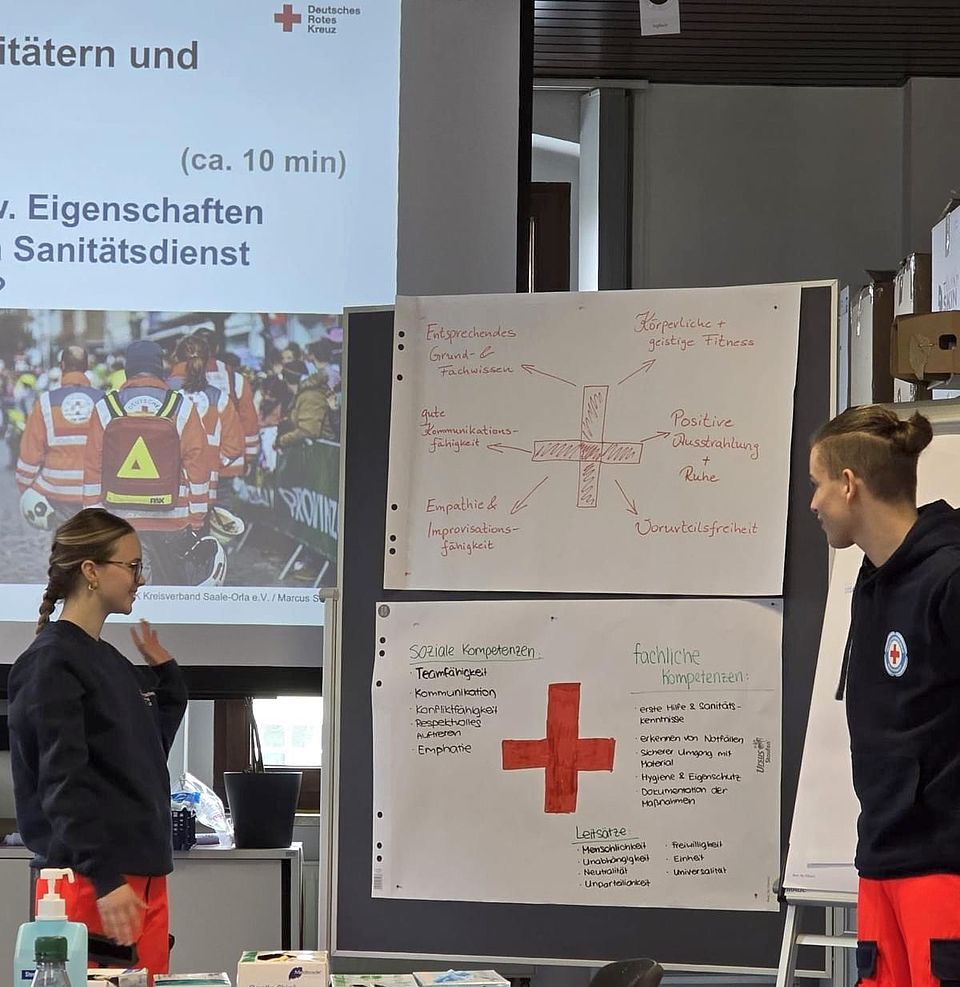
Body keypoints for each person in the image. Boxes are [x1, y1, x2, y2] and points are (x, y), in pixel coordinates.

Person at [809, 404, 960, 987]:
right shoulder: (871, 583)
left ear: (849, 485)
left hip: (945, 865)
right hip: (881, 859)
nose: (814, 503)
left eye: (818, 484)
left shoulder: (949, 577)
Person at [7, 508, 187, 975]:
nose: (139, 579)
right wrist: (105, 878)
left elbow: (144, 758)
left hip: (139, 879)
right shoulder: (51, 663)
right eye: (132, 566)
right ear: (90, 570)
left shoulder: (108, 660)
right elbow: (60, 782)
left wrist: (169, 681)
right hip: (93, 883)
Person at [16, 346, 104, 527]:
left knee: (63, 540)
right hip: (96, 495)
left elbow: (30, 454)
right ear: (86, 366)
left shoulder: (45, 402)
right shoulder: (105, 400)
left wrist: (26, 488)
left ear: (62, 366)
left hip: (56, 495)